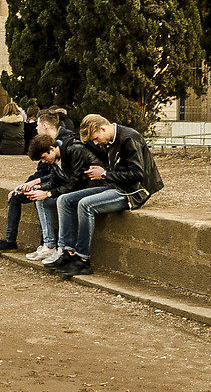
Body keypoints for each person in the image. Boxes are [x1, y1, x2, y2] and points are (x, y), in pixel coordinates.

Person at [44, 112, 163, 276]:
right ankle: (67, 252)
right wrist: (102, 171)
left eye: (95, 138)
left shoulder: (129, 138)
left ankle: (82, 260)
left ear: (102, 128)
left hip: (134, 191)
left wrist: (105, 174)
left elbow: (138, 174)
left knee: (85, 205)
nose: (95, 143)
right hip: (116, 185)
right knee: (64, 200)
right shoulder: (111, 140)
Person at [0, 123, 62, 257]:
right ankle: (9, 241)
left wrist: (39, 185)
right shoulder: (43, 148)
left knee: (39, 198)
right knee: (16, 196)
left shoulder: (61, 148)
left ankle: (46, 243)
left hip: (55, 186)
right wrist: (24, 186)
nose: (36, 128)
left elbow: (61, 177)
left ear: (45, 126)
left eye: (38, 125)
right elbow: (40, 172)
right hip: (46, 184)